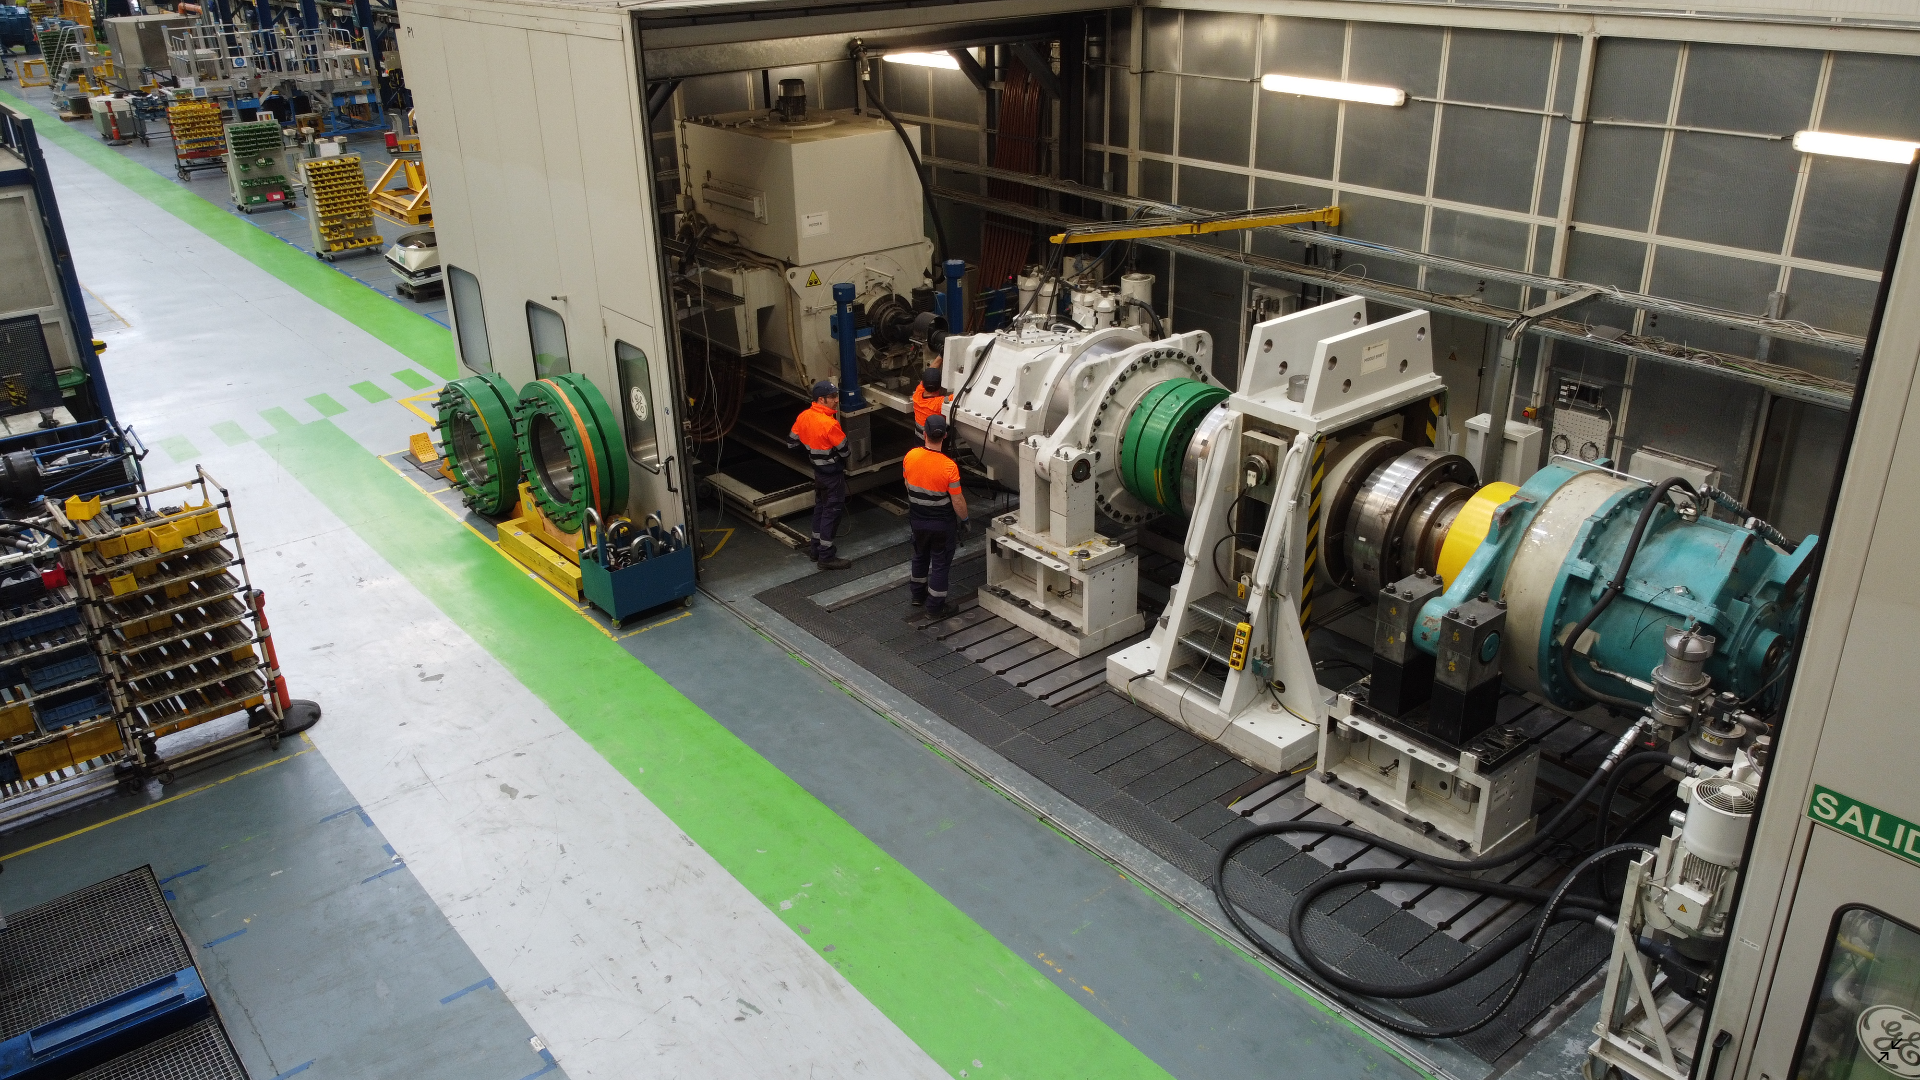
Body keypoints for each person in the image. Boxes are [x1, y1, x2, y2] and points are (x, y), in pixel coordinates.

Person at [903, 413, 968, 618]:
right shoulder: (949, 467)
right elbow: (957, 500)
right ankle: (934, 607)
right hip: (941, 524)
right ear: (945, 436)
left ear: (925, 434)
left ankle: (917, 596)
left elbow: (907, 483)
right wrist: (965, 520)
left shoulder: (910, 456)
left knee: (920, 556)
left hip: (917, 519)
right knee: (940, 564)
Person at [790, 380, 852, 570]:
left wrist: (812, 453)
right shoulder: (830, 424)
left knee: (820, 509)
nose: (836, 400)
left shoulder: (803, 417)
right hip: (833, 476)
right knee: (831, 513)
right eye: (832, 397)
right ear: (821, 399)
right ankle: (826, 556)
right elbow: (846, 451)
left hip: (818, 473)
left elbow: (792, 443)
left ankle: (815, 549)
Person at [911, 365, 949, 439]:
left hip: (919, 439)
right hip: (937, 441)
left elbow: (929, 374)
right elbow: (961, 395)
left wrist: (940, 357)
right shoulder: (940, 403)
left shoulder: (917, 394)